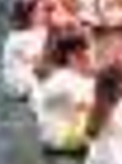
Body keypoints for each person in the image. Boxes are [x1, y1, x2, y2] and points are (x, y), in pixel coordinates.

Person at [31, 24, 94, 153]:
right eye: (86, 55)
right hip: (63, 139)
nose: (90, 59)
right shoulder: (69, 80)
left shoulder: (61, 75)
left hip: (50, 137)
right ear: (72, 56)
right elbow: (86, 108)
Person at [2, 0, 48, 99]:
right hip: (20, 84)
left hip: (28, 76)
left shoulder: (36, 30)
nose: (43, 14)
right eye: (40, 11)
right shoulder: (22, 37)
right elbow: (37, 62)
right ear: (31, 15)